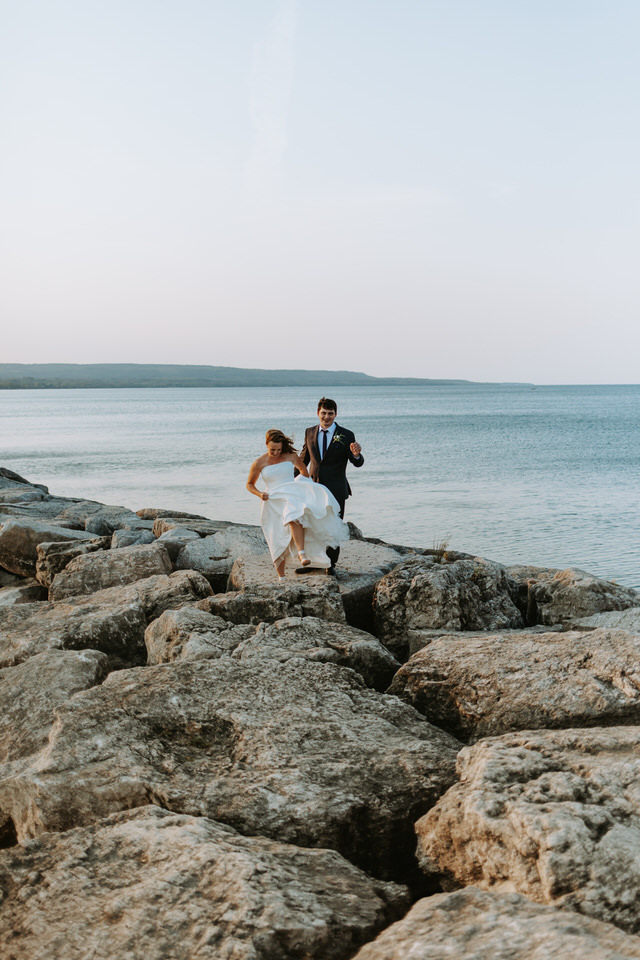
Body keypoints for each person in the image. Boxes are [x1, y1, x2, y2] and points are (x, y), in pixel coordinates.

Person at [246, 428, 348, 580]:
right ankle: (282, 578)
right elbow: (249, 484)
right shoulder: (259, 462)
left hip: (290, 495)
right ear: (266, 444)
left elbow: (303, 470)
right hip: (271, 500)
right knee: (276, 537)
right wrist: (260, 494)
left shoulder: (291, 456)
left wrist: (300, 484)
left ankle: (302, 554)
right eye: (272, 449)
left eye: (279, 449)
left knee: (294, 516)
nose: (276, 453)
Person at [300, 397, 364, 572]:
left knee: (333, 527)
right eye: (323, 413)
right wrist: (288, 482)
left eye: (330, 414)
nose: (326, 417)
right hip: (314, 489)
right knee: (312, 526)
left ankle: (330, 565)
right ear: (317, 413)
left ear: (335, 414)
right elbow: (303, 460)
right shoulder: (309, 432)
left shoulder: (347, 435)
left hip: (336, 489)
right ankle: (313, 562)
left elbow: (357, 462)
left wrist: (357, 455)